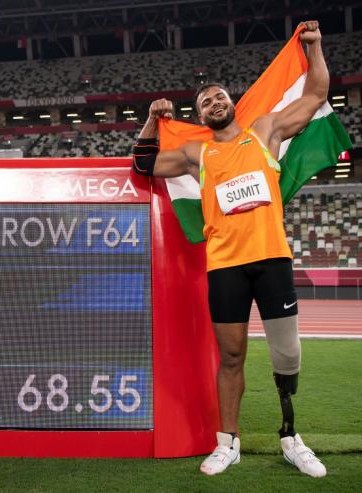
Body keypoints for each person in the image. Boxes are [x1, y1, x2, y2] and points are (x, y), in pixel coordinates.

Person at [131, 20, 327, 477]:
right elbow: (143, 165)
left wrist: (314, 48)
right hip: (226, 267)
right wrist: (151, 119)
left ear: (231, 102)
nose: (214, 102)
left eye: (218, 96)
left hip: (272, 257)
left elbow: (316, 95)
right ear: (200, 117)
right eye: (205, 103)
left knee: (287, 355)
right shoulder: (200, 155)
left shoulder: (265, 132)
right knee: (232, 355)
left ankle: (290, 437)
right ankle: (228, 442)